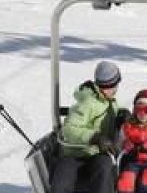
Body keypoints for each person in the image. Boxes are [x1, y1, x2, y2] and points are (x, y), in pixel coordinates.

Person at [50, 61, 122, 193]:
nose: (111, 90)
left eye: (113, 86)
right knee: (62, 180)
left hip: (97, 154)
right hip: (74, 153)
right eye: (106, 87)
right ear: (99, 85)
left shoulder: (110, 101)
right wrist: (94, 137)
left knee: (104, 168)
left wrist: (122, 115)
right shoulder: (88, 102)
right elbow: (69, 129)